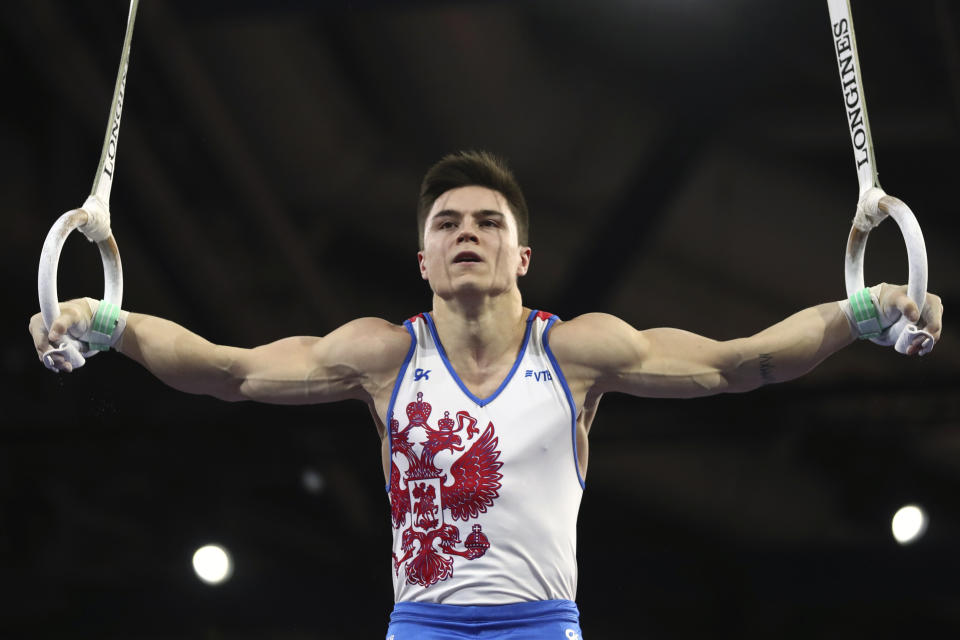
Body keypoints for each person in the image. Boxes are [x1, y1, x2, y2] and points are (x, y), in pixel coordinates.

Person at [30, 151, 943, 639]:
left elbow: (741, 363)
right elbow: (226, 371)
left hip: (543, 630)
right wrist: (106, 325)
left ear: (522, 256)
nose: (468, 233)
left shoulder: (578, 351)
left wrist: (861, 309)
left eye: (489, 223)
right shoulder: (380, 357)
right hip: (420, 627)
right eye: (447, 224)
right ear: (422, 259)